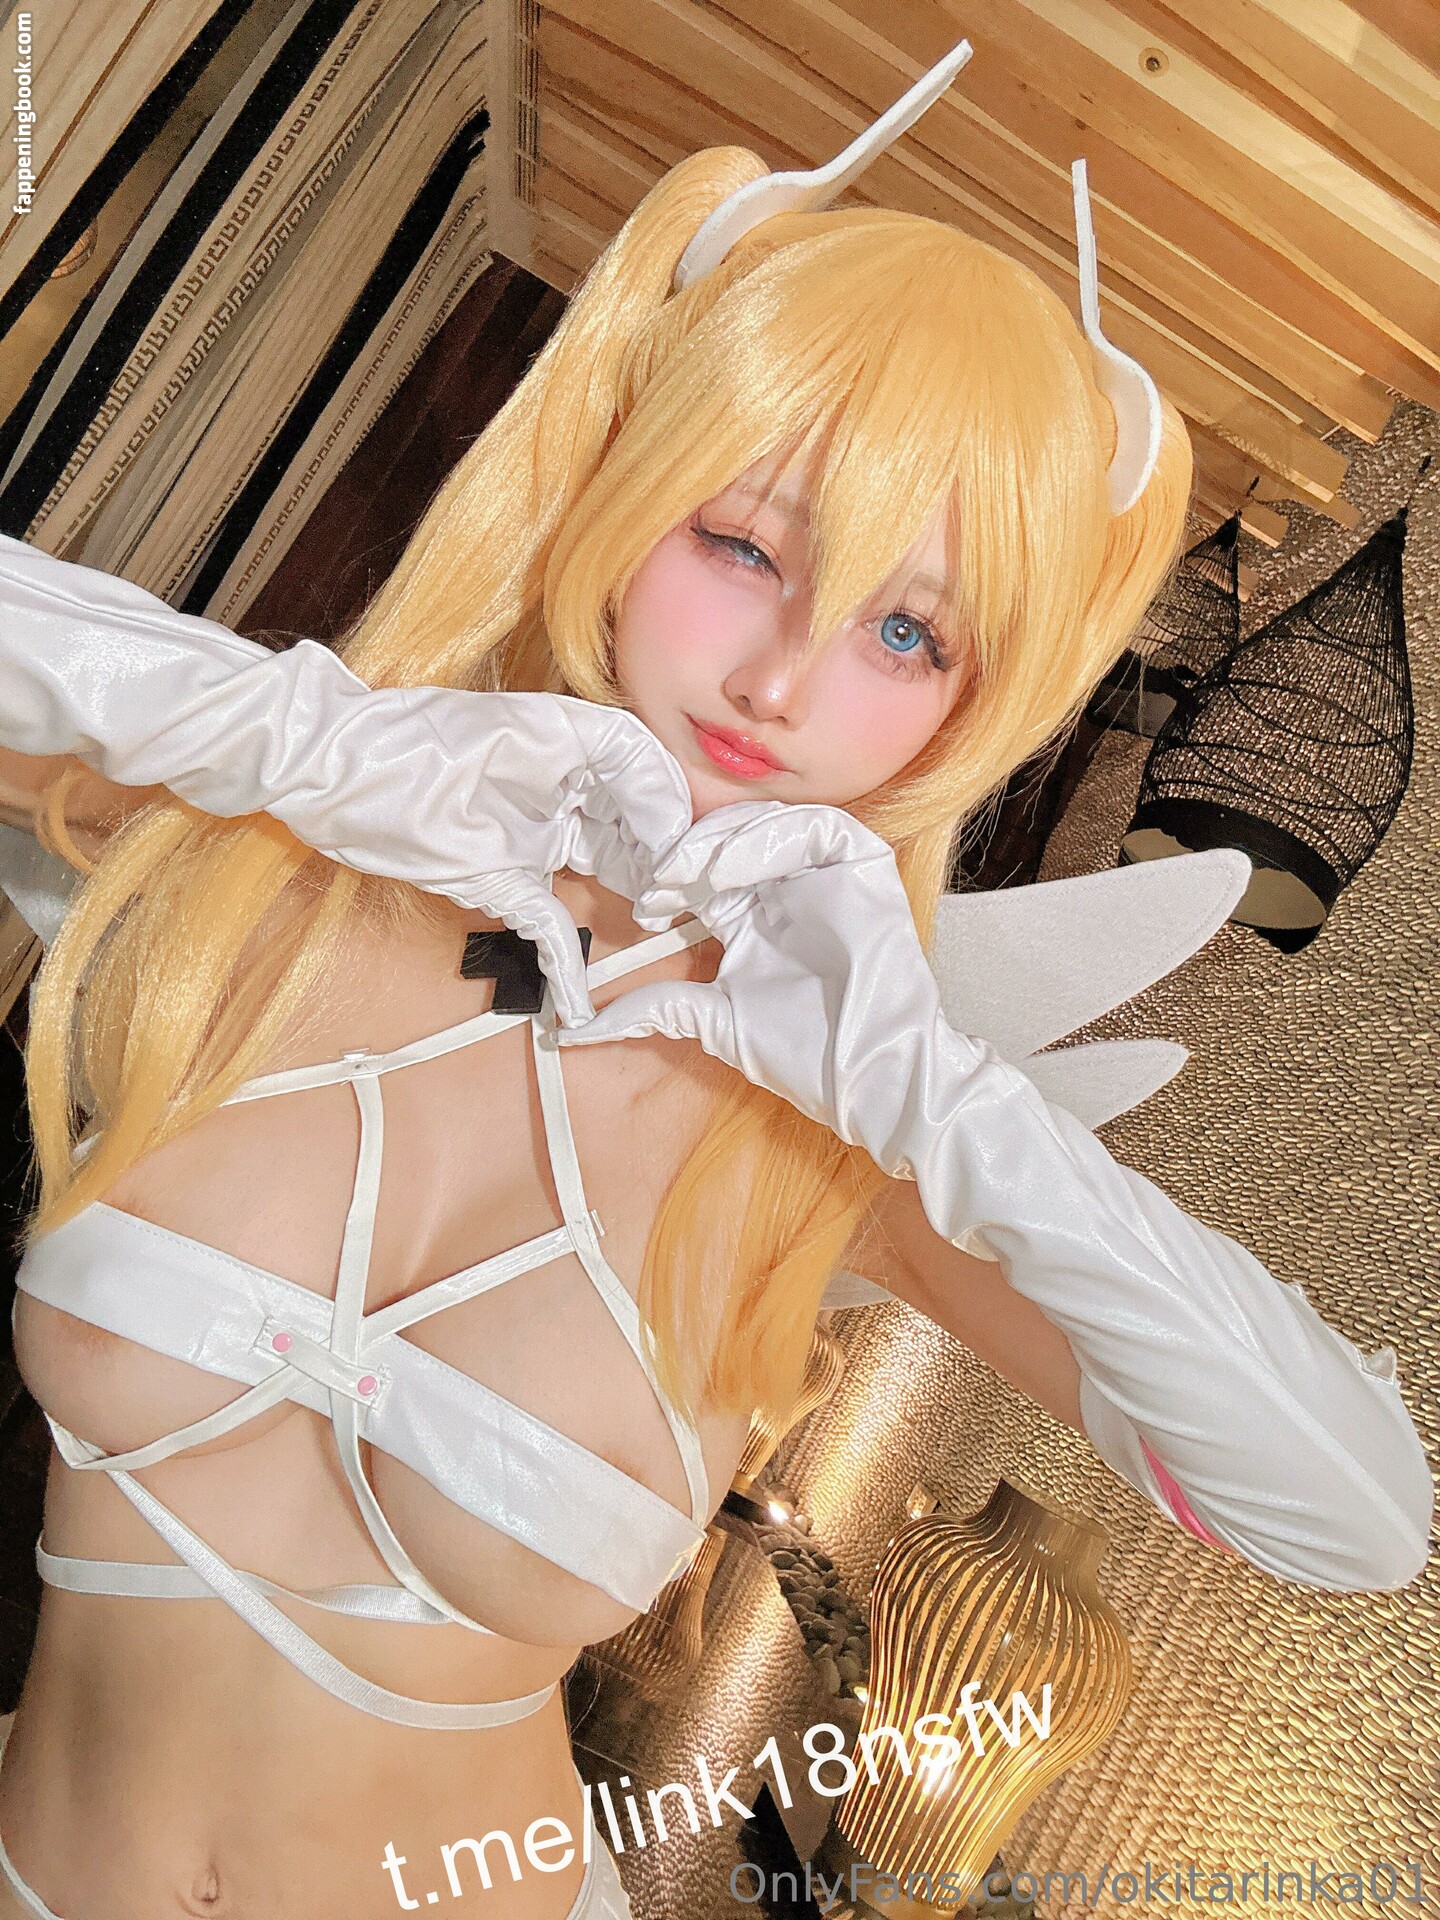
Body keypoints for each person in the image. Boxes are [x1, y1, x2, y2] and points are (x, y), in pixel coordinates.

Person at [0, 102, 1430, 1920]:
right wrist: (323, 751)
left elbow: (1351, 1520)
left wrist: (927, 1091)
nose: (781, 680)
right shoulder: (255, 881)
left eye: (909, 636)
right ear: (624, 491)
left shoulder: (842, 1146)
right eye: (747, 544)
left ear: (969, 710)